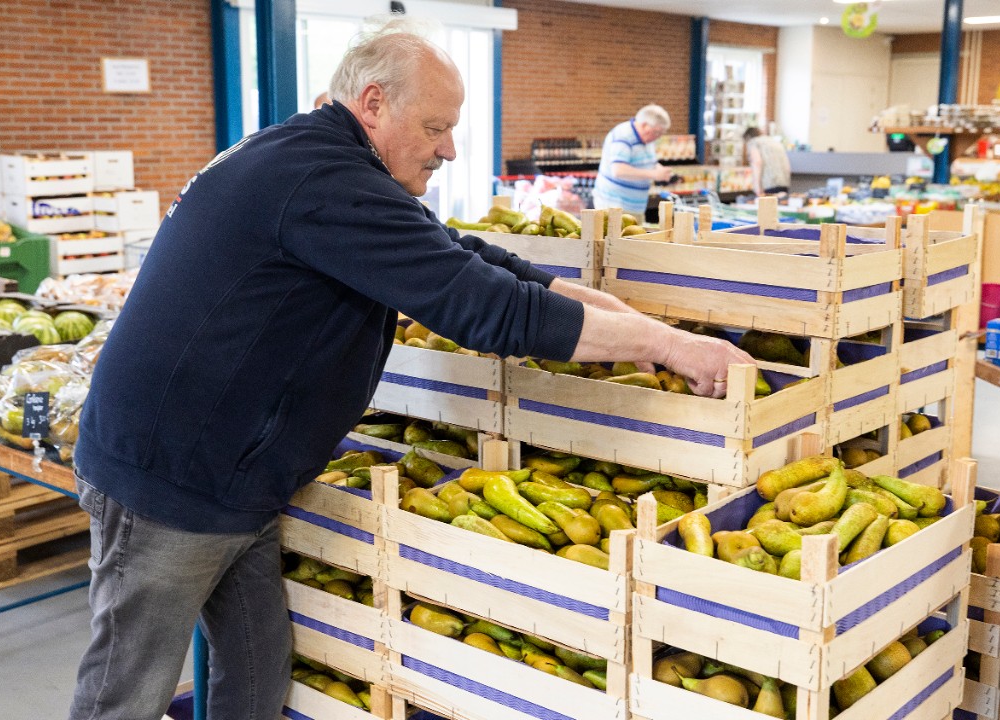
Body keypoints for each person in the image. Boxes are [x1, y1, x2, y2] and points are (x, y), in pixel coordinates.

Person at [67, 23, 752, 720]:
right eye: (435, 126)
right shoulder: (319, 181)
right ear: (372, 104)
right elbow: (481, 309)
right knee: (125, 693)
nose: (449, 148)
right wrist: (669, 348)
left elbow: (458, 256)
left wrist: (608, 313)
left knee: (254, 673)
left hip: (238, 476)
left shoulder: (332, 167)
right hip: (168, 478)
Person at [591, 104, 675, 216]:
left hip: (635, 206)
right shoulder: (623, 137)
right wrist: (654, 174)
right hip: (614, 206)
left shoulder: (647, 138)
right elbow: (619, 171)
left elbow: (649, 163)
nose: (658, 136)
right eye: (657, 132)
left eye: (661, 133)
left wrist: (662, 172)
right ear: (645, 125)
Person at [744, 126, 791, 196]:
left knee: (768, 205)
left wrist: (757, 186)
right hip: (784, 183)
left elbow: (757, 162)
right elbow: (788, 167)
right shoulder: (776, 142)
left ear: (748, 137)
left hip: (768, 184)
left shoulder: (753, 142)